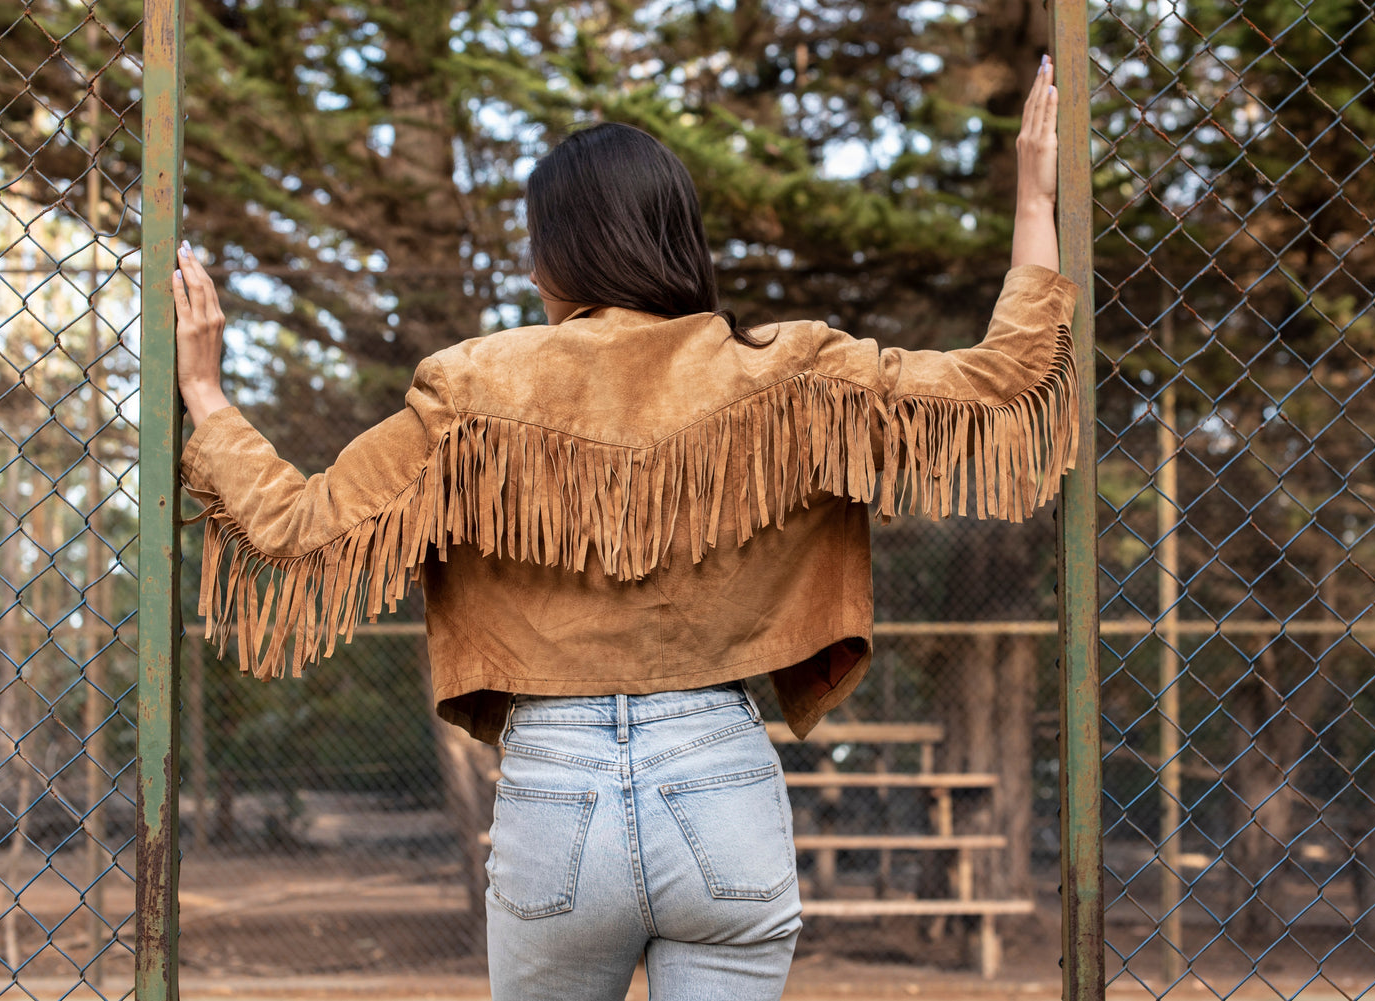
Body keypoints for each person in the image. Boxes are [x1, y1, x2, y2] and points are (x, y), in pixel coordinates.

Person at [174, 57, 1073, 1001]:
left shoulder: (473, 392)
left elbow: (292, 527)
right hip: (722, 777)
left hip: (557, 792)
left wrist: (207, 394)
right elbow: (1007, 381)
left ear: (551, 255)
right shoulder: (797, 374)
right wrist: (1035, 199)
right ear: (675, 238)